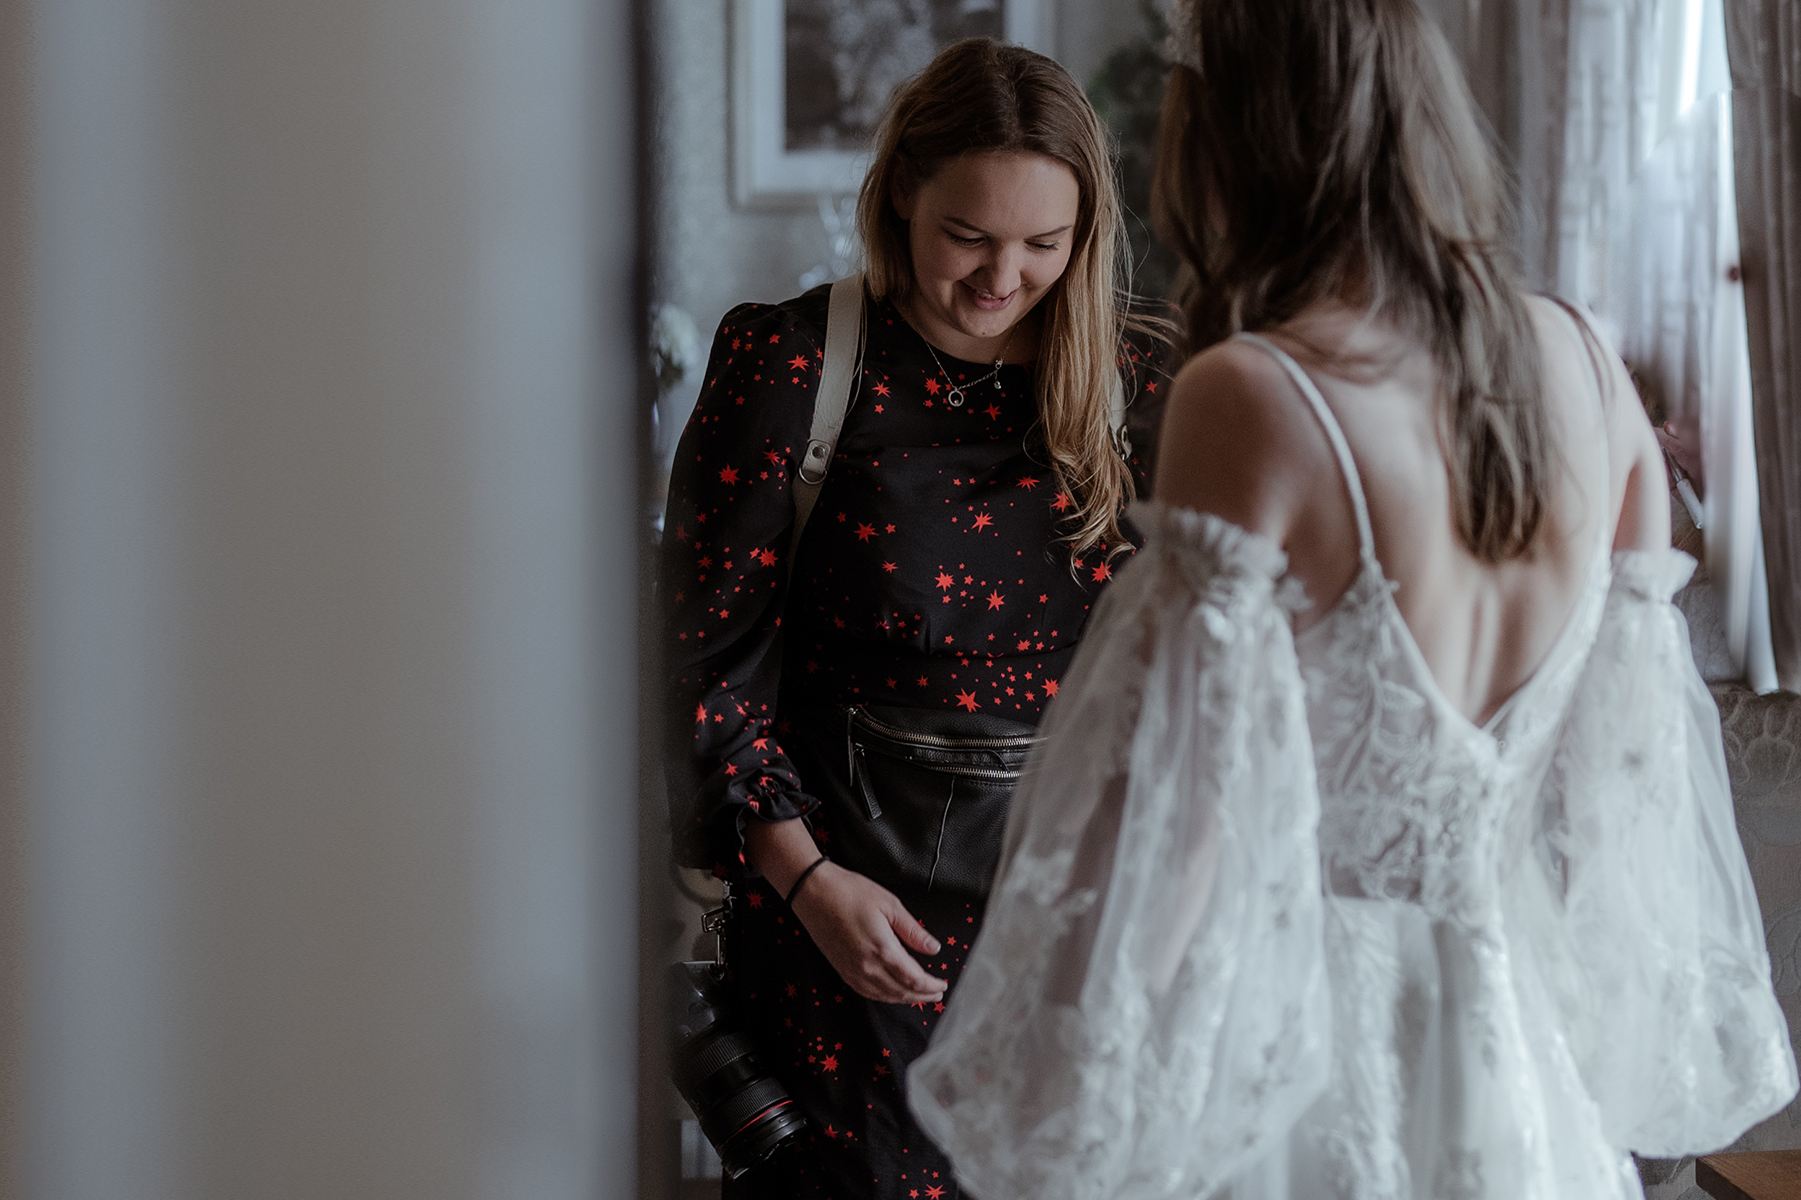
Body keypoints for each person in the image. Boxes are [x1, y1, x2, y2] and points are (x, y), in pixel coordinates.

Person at [908, 2, 1799, 1198]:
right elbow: (1628, 790)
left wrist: (1074, 1097)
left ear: (1226, 135)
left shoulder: (1256, 395)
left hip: (1303, 1059)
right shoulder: (1584, 360)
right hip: (1520, 1063)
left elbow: (1171, 821)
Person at [659, 37, 1172, 1200]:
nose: (1004, 277)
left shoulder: (1144, 381)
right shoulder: (789, 365)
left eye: (1045, 245)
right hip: (846, 932)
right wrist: (804, 885)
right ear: (900, 196)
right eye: (968, 237)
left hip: (1083, 938)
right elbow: (699, 673)